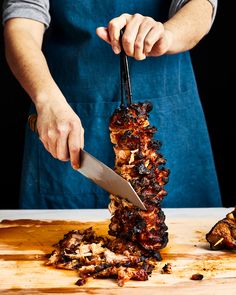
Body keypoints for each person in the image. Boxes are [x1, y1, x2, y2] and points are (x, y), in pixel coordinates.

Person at [2, 0, 222, 208]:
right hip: (64, 115)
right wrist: (47, 99)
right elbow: (22, 22)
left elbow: (201, 4)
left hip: (169, 117)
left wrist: (167, 35)